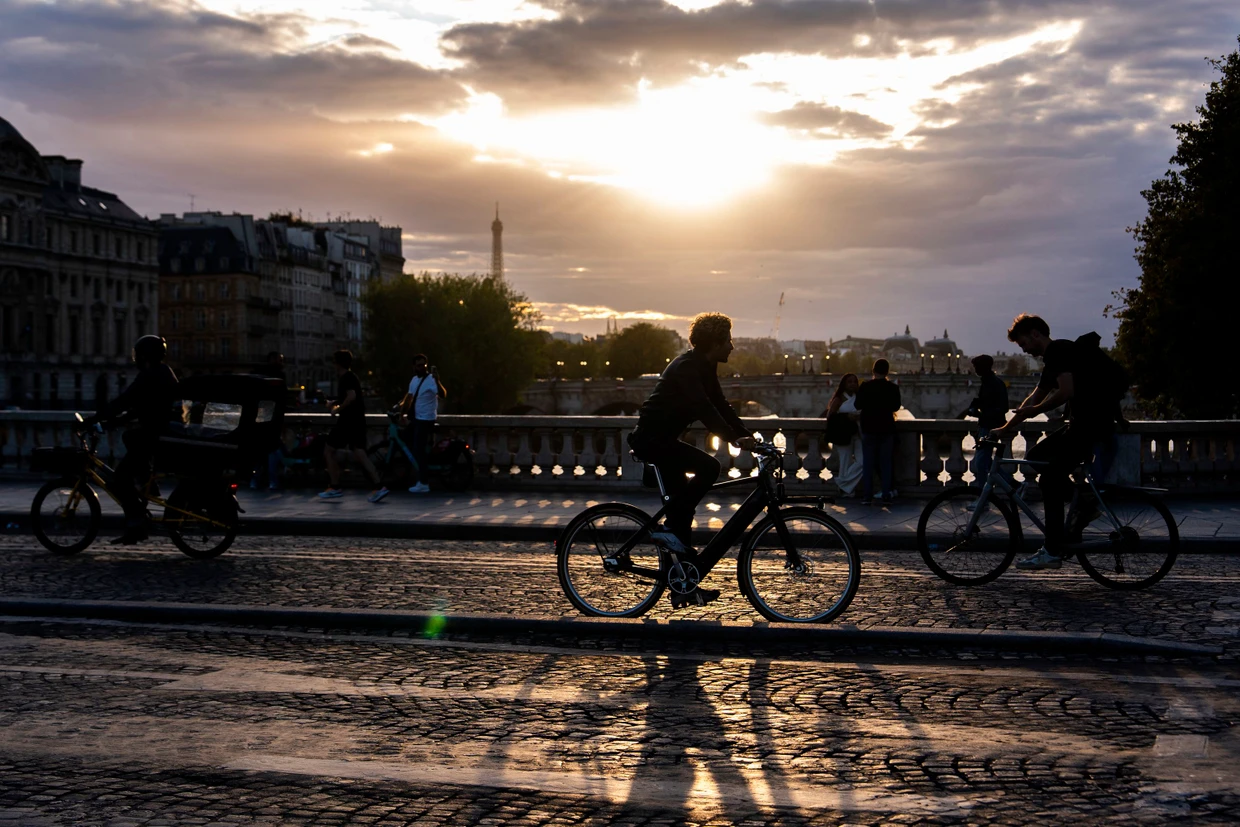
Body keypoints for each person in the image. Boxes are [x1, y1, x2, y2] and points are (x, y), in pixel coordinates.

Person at [627, 312, 756, 605]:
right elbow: (704, 409)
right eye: (729, 341)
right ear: (715, 343)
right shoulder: (687, 368)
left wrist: (750, 437)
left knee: (683, 513)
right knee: (710, 466)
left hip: (664, 441)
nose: (732, 347)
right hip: (652, 441)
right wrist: (734, 439)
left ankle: (684, 585)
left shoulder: (704, 366)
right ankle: (671, 533)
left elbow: (721, 405)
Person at [992, 314, 1113, 570]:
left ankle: (1052, 549)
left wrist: (1034, 412)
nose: (1023, 348)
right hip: (1084, 424)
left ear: (1035, 334)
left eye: (1023, 342)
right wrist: (1005, 428)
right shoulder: (1054, 358)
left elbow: (1066, 392)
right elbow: (1033, 399)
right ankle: (1084, 504)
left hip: (1089, 426)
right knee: (1036, 455)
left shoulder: (1058, 351)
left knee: (1050, 480)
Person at [82, 335, 179, 544]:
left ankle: (136, 524)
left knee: (119, 480)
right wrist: (114, 422)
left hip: (155, 435)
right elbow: (141, 406)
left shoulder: (149, 375)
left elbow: (125, 400)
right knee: (129, 436)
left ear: (145, 355)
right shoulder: (162, 371)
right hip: (159, 432)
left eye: (139, 354)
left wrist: (95, 418)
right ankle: (146, 481)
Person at [318, 349, 388, 503]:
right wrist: (334, 402)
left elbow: (351, 398)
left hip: (348, 422)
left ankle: (335, 486)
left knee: (328, 450)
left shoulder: (346, 378)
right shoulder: (350, 377)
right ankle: (379, 485)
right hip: (356, 421)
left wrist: (337, 409)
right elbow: (348, 397)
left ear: (337, 363)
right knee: (360, 454)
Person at [398, 354, 447, 494]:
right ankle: (416, 469)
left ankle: (424, 482)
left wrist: (438, 381)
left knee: (419, 449)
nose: (422, 368)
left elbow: (443, 394)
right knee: (406, 439)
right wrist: (400, 412)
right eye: (419, 365)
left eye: (424, 365)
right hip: (416, 419)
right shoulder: (414, 380)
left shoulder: (431, 380)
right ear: (414, 367)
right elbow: (409, 398)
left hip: (426, 419)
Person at [855, 358, 901, 506]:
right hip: (886, 428)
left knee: (868, 463)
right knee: (885, 463)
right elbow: (896, 407)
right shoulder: (893, 388)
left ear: (873, 371)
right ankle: (886, 494)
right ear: (887, 372)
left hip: (868, 428)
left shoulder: (865, 386)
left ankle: (867, 496)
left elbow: (857, 405)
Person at [961, 354, 1010, 485]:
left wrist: (981, 414)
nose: (975, 369)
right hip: (987, 426)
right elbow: (984, 402)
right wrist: (975, 406)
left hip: (990, 427)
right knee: (986, 462)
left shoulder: (993, 383)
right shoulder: (989, 382)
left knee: (981, 463)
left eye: (976, 366)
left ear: (984, 367)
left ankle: (981, 496)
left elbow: (1003, 407)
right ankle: (1015, 485)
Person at [823, 373, 863, 496]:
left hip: (857, 434)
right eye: (849, 382)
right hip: (843, 434)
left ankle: (841, 484)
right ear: (844, 385)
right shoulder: (838, 399)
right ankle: (847, 490)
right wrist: (848, 417)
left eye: (854, 382)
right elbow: (830, 417)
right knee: (845, 462)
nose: (852, 384)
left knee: (863, 462)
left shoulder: (860, 398)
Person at [252, 351, 286, 491]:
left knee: (259, 450)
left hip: (262, 411)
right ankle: (272, 481)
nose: (282, 362)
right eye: (280, 359)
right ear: (273, 360)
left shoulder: (259, 373)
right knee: (272, 449)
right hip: (274, 412)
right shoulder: (279, 375)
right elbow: (283, 394)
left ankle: (254, 480)